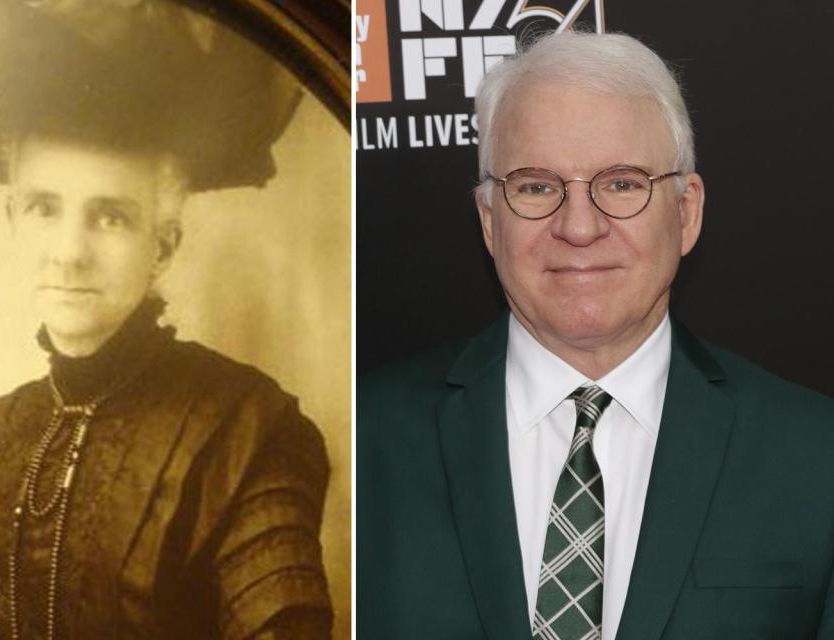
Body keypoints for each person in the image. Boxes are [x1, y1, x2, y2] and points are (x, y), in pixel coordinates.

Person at [357, 31, 834, 640]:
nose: (579, 227)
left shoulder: (815, 458)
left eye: (621, 183)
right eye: (535, 186)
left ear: (686, 213)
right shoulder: (363, 441)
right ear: (488, 221)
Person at [0, 1, 332, 638]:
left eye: (110, 217)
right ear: (14, 222)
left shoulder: (246, 434)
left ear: (162, 246)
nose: (70, 252)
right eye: (45, 208)